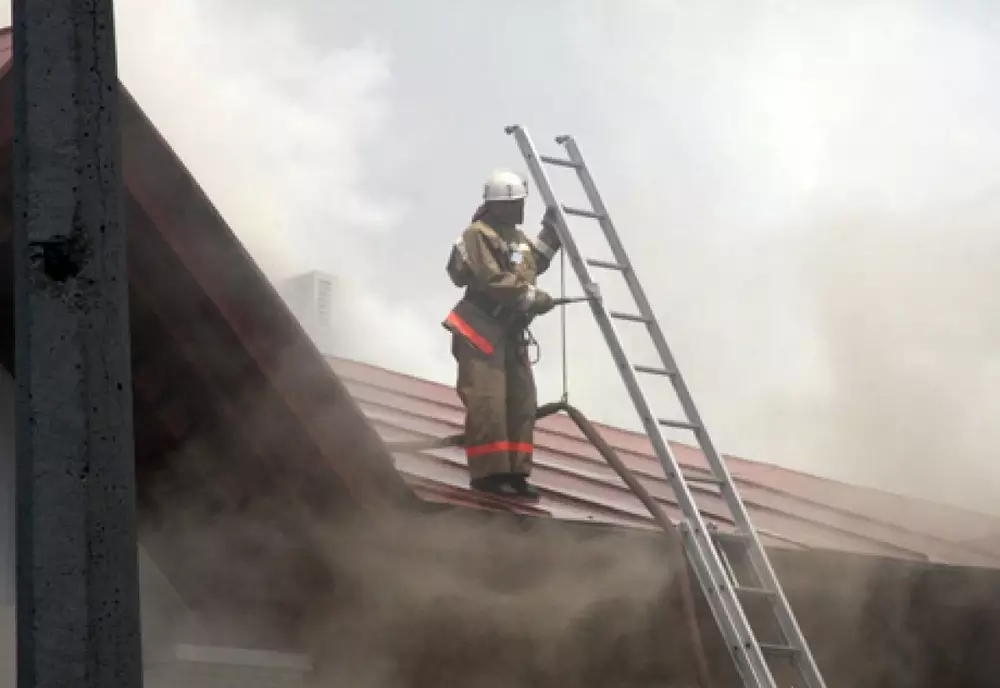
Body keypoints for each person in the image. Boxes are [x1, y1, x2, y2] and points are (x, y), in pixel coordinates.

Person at [442, 169, 562, 499]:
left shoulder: (516, 238)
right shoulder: (477, 234)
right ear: (497, 205)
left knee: (522, 403)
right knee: (489, 403)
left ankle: (515, 473)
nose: (521, 208)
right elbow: (494, 280)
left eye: (521, 202)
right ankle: (489, 475)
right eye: (515, 203)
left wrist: (552, 233)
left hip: (509, 333)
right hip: (480, 331)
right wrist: (534, 299)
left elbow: (532, 263)